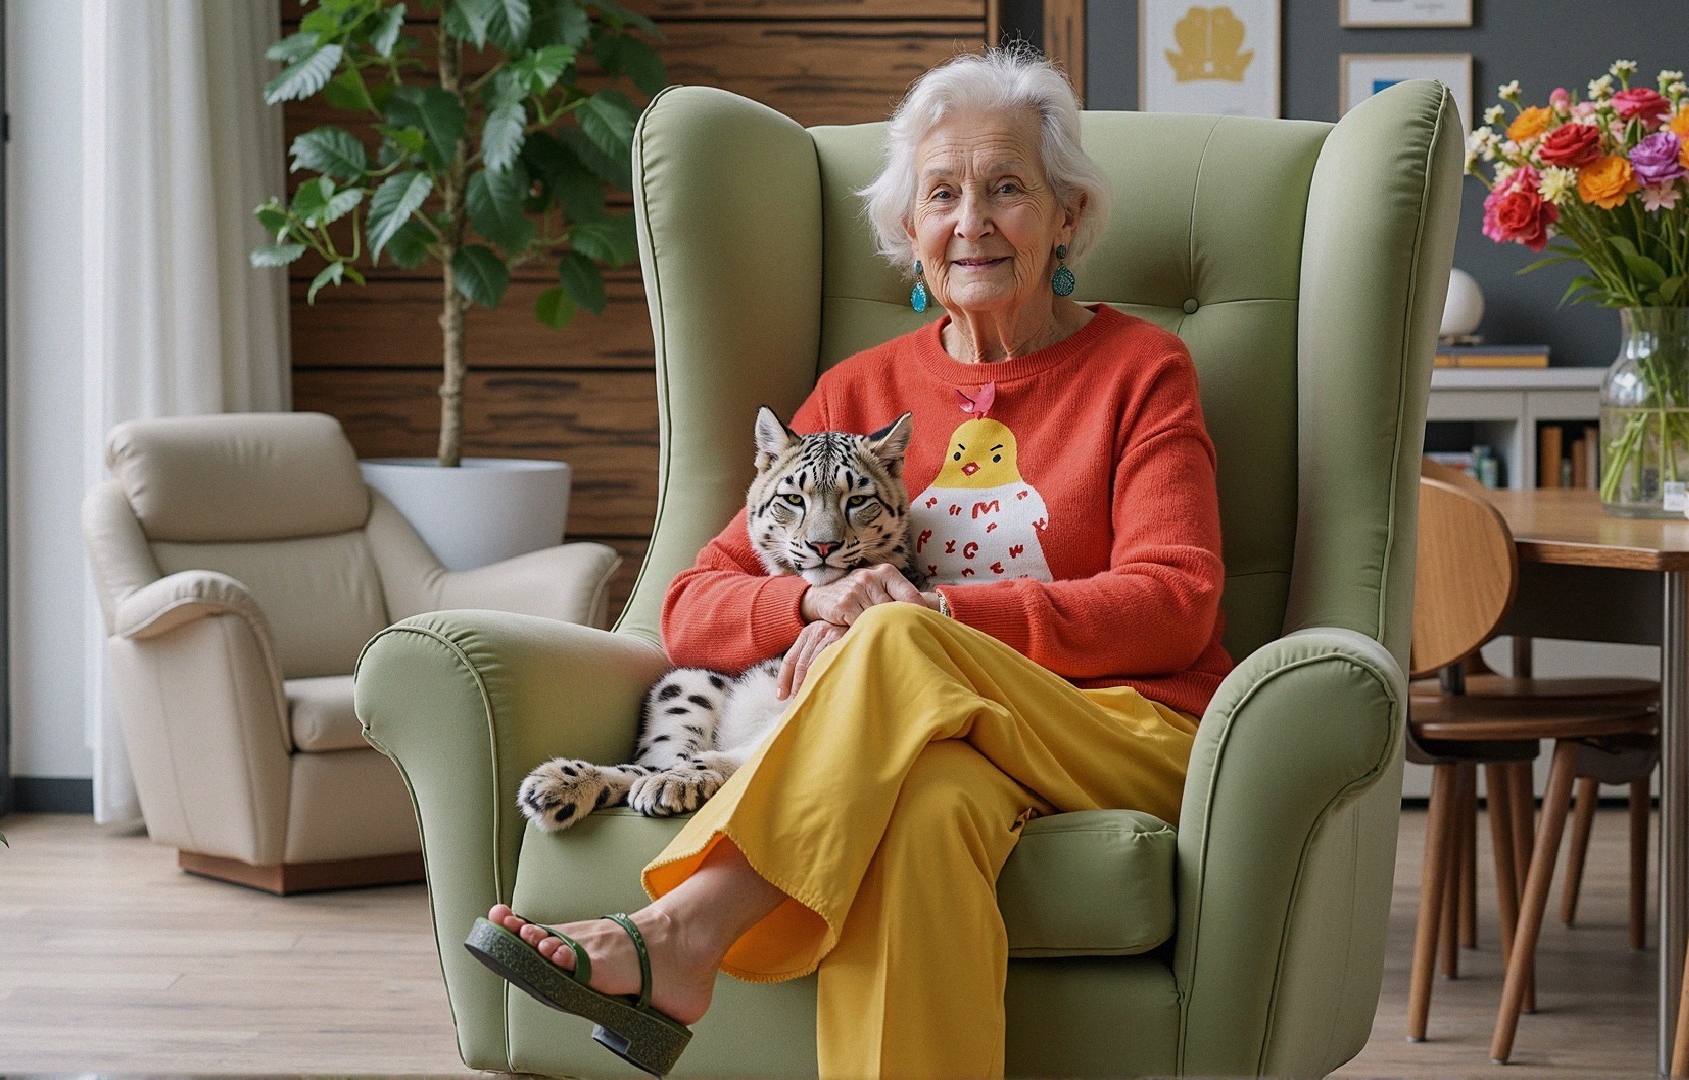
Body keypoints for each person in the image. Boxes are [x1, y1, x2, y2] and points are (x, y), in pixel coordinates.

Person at [483, 46, 1236, 1079]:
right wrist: (815, 597)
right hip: (943, 746)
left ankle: (683, 933)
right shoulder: (857, 393)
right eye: (942, 194)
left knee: (897, 637)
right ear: (908, 228)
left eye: (1007, 188)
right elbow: (695, 606)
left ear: (1066, 214)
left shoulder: (1142, 369)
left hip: (1123, 727)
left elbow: (1176, 604)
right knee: (921, 817)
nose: (971, 220)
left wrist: (929, 626)